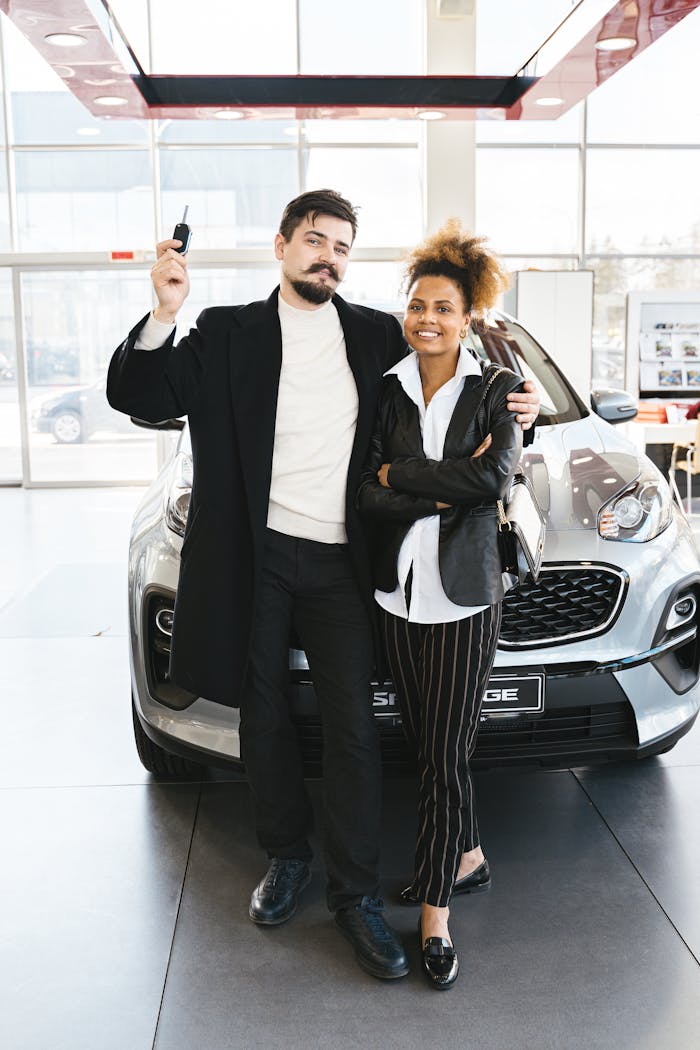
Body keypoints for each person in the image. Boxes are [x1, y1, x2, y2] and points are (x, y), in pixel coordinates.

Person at [106, 190, 539, 981]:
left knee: (351, 729)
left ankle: (355, 896)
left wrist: (525, 406)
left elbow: (452, 369)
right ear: (281, 246)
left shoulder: (375, 334)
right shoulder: (225, 332)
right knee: (264, 715)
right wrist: (164, 313)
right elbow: (140, 396)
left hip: (343, 558)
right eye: (314, 240)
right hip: (257, 556)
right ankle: (286, 856)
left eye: (341, 246)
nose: (327, 257)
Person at [357, 219, 524, 989]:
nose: (428, 319)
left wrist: (403, 478)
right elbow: (364, 494)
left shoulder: (496, 391)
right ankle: (470, 856)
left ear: (467, 317)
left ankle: (435, 915)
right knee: (430, 747)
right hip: (397, 595)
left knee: (445, 757)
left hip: (462, 601)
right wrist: (436, 488)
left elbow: (493, 482)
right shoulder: (385, 391)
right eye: (418, 305)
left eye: (443, 308)